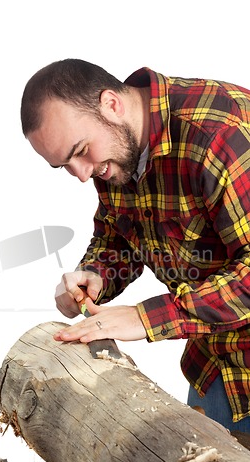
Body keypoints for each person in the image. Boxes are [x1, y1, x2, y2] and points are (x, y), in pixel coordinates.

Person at [20, 58, 250, 432]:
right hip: (216, 369)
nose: (81, 175)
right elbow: (120, 235)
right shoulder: (116, 150)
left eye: (80, 151)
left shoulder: (222, 135)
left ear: (111, 104)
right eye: (64, 165)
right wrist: (97, 273)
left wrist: (145, 318)